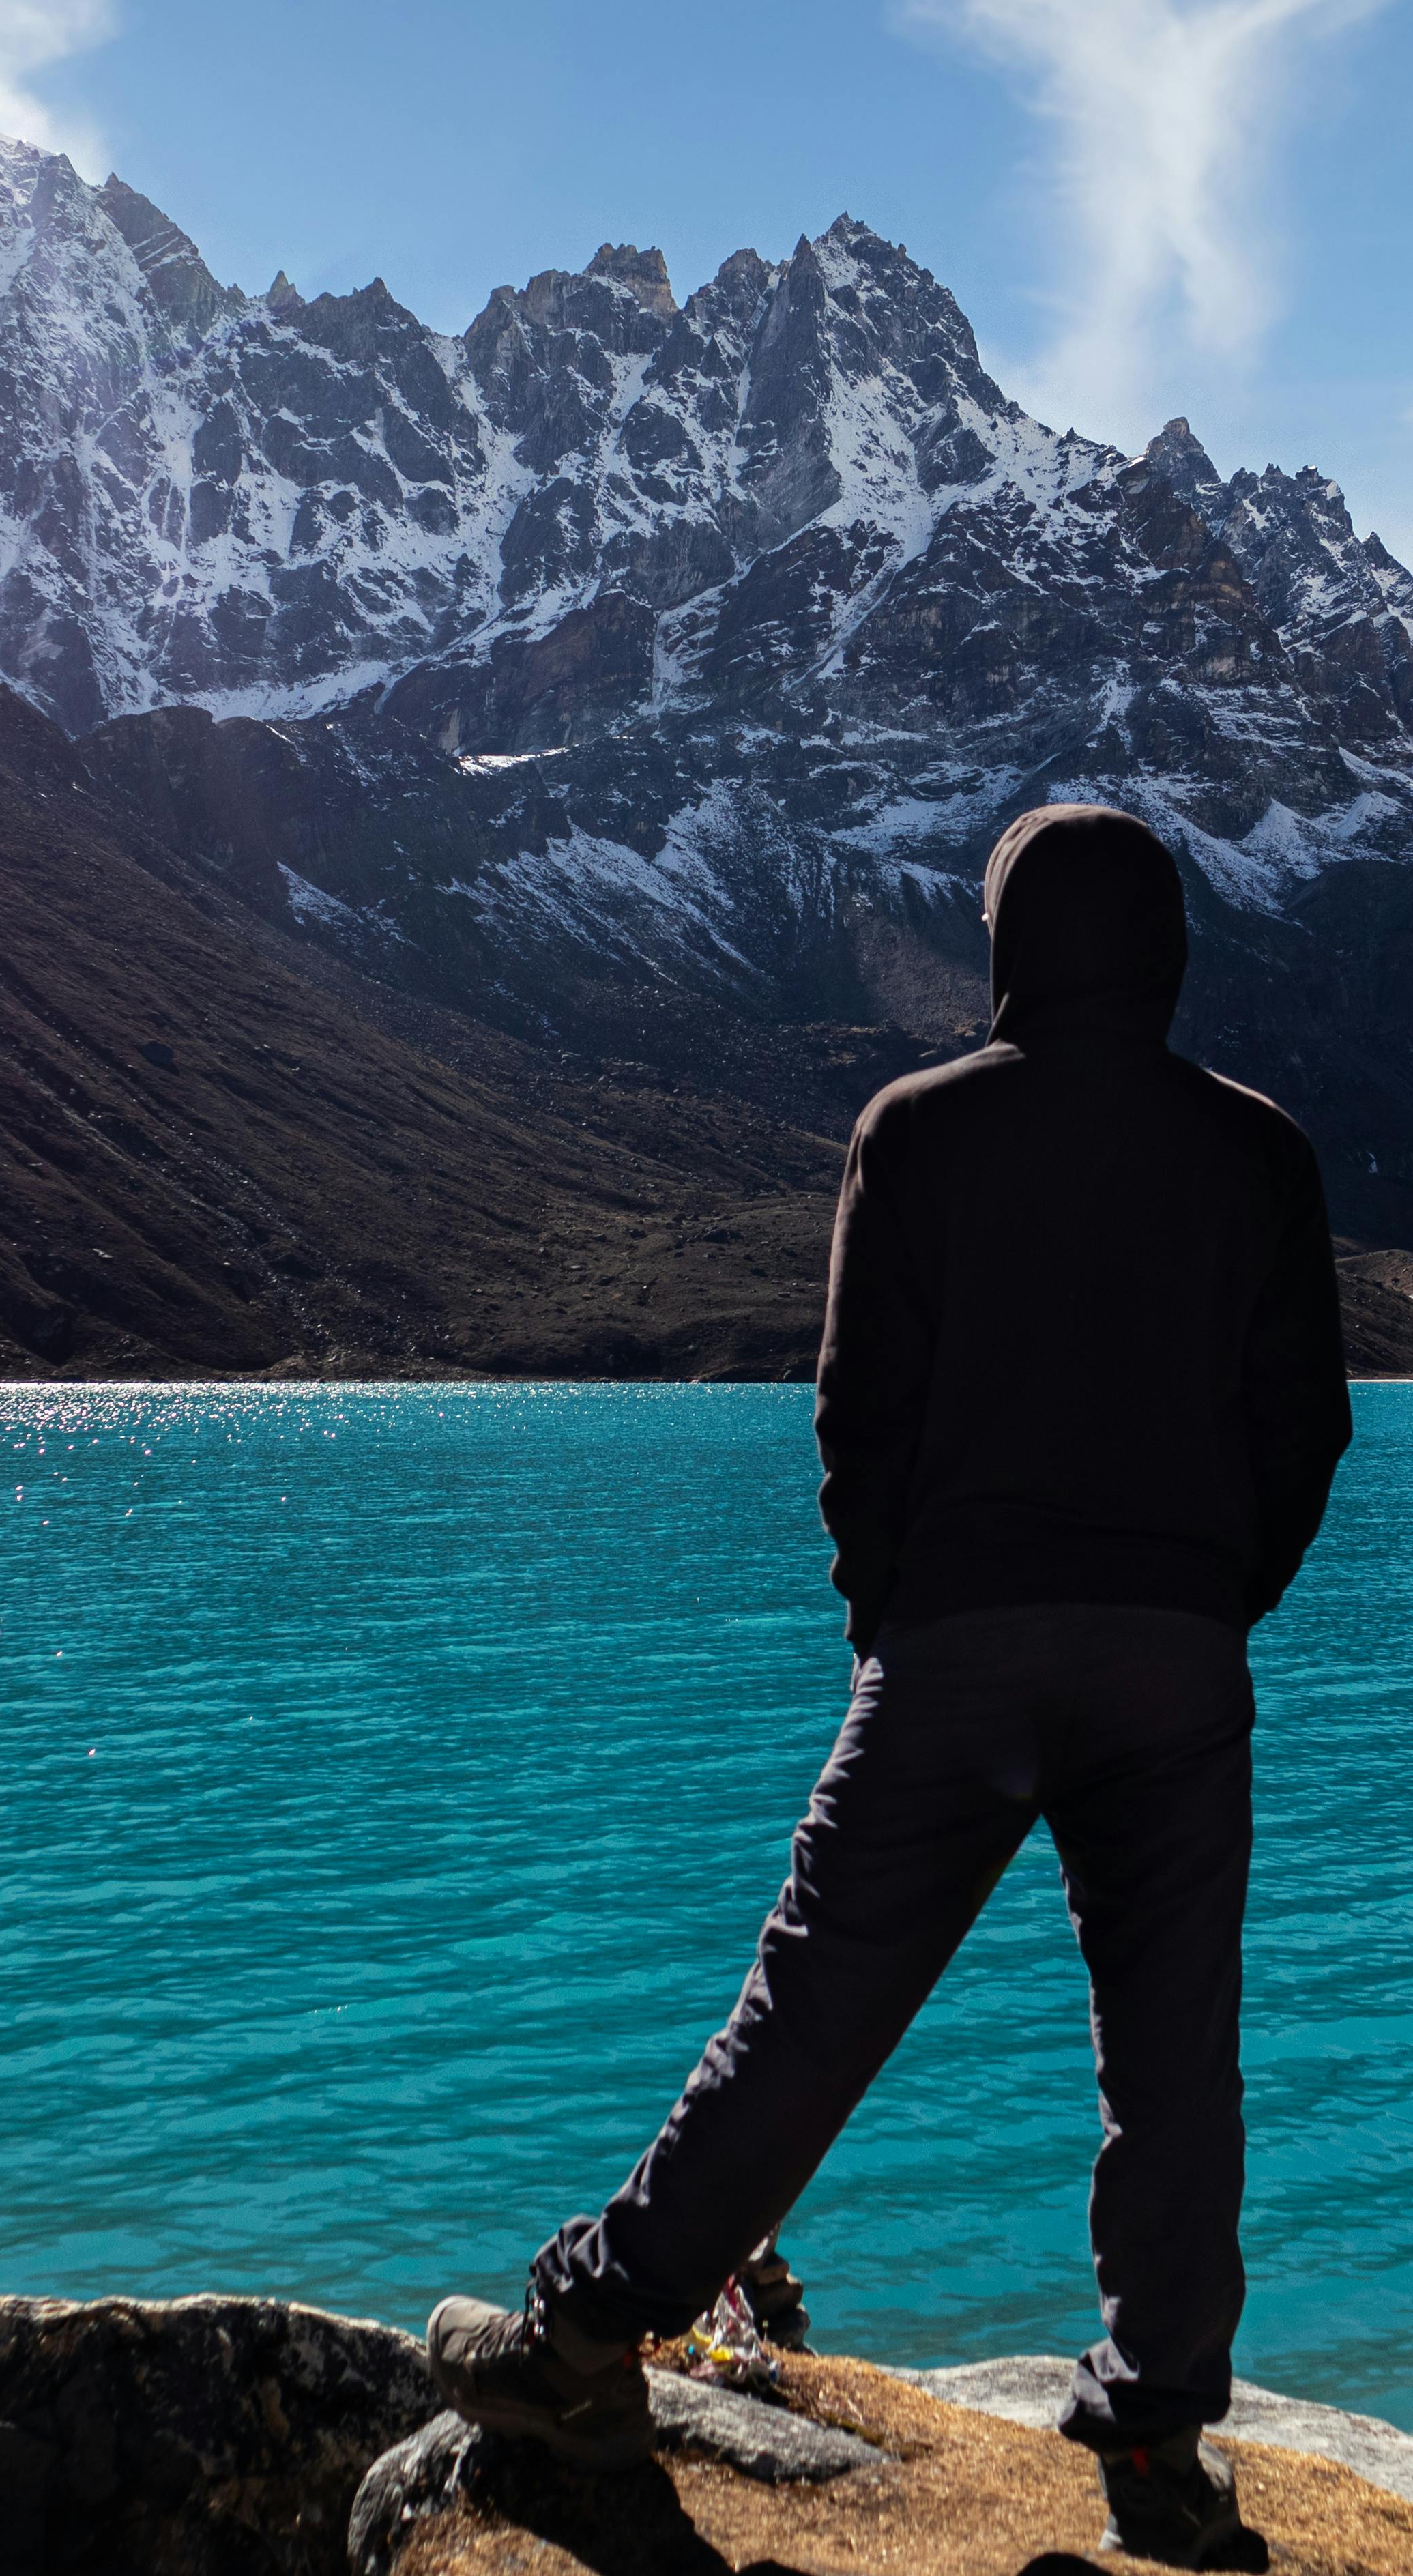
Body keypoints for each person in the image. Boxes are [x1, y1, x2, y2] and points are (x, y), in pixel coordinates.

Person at [427, 805, 1353, 2567]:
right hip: (1174, 1659)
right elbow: (1297, 1429)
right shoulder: (1259, 1150)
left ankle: (586, 2337)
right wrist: (1208, 1604)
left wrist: (895, 1618)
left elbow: (859, 1413)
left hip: (953, 1648)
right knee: (1173, 2059)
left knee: (814, 2011)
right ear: (1164, 945)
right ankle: (1158, 2436)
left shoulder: (916, 1131)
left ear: (1005, 940)